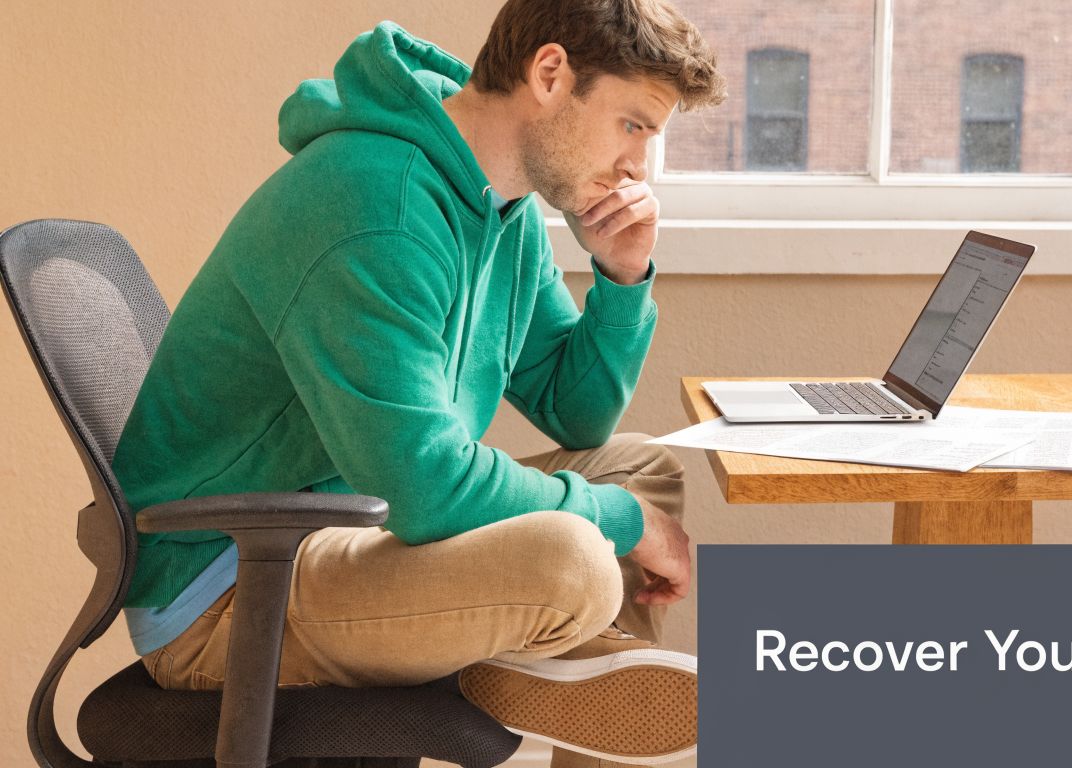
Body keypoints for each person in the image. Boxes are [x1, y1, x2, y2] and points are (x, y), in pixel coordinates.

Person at [111, 1, 725, 765]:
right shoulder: (375, 205)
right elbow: (425, 486)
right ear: (550, 74)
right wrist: (624, 524)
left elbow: (577, 414)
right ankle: (546, 647)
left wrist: (623, 278)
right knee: (575, 557)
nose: (639, 166)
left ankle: (559, 654)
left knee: (639, 469)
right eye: (632, 125)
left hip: (359, 532)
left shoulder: (502, 206)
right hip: (235, 588)